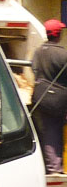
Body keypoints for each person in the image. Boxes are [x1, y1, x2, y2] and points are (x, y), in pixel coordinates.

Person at [32, 18, 67, 173]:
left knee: (47, 132)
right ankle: (55, 168)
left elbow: (34, 70)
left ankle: (51, 167)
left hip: (40, 97)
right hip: (58, 100)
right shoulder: (63, 54)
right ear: (58, 35)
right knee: (54, 132)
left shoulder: (38, 52)